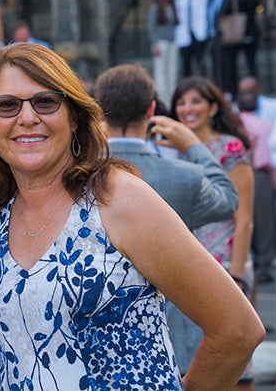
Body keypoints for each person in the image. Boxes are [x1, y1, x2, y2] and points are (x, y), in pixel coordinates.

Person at [0, 43, 263, 389]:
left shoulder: (117, 197)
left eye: (46, 101)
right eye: (7, 106)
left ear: (74, 117)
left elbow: (237, 329)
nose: (28, 117)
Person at [169, 76, 258, 387]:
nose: (187, 108)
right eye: (181, 102)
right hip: (192, 265)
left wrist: (237, 275)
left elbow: (245, 218)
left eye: (195, 101)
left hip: (226, 259)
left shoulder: (229, 147)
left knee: (236, 363)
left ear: (213, 107)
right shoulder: (176, 151)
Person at [94, 64, 238, 231]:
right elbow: (229, 200)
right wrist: (194, 145)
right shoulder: (187, 176)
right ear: (151, 110)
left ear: (100, 114)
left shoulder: (75, 173)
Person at [237, 87, 275, 284]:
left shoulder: (233, 125)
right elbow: (268, 156)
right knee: (264, 224)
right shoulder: (265, 125)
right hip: (260, 174)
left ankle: (242, 262)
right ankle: (264, 266)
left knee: (240, 221)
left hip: (236, 173)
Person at [220, 0, 260, 98]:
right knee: (251, 64)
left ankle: (233, 91)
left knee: (232, 65)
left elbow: (223, 13)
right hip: (250, 36)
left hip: (236, 36)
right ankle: (254, 89)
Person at [147, 0, 180, 105]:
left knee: (172, 71)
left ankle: (172, 100)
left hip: (173, 42)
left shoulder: (173, 6)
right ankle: (163, 101)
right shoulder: (156, 7)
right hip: (160, 43)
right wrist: (154, 44)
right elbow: (151, 27)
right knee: (161, 73)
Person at [174, 0, 210, 78]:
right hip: (184, 36)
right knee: (186, 65)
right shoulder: (178, 0)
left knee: (201, 63)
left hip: (199, 34)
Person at [207, 0, 229, 89]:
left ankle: (228, 90)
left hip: (225, 36)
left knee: (226, 65)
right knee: (216, 65)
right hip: (212, 35)